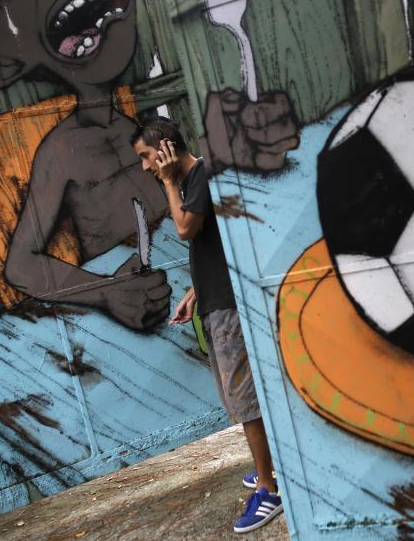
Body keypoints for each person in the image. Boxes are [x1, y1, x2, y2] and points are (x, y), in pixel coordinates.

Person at [131, 119, 284, 534]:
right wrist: (195, 292)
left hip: (230, 307)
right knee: (242, 396)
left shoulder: (198, 176)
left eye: (147, 158)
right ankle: (270, 467)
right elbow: (215, 243)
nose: (146, 167)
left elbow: (185, 229)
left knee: (245, 398)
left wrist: (167, 182)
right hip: (214, 298)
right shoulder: (195, 181)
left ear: (164, 148)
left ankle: (269, 489)